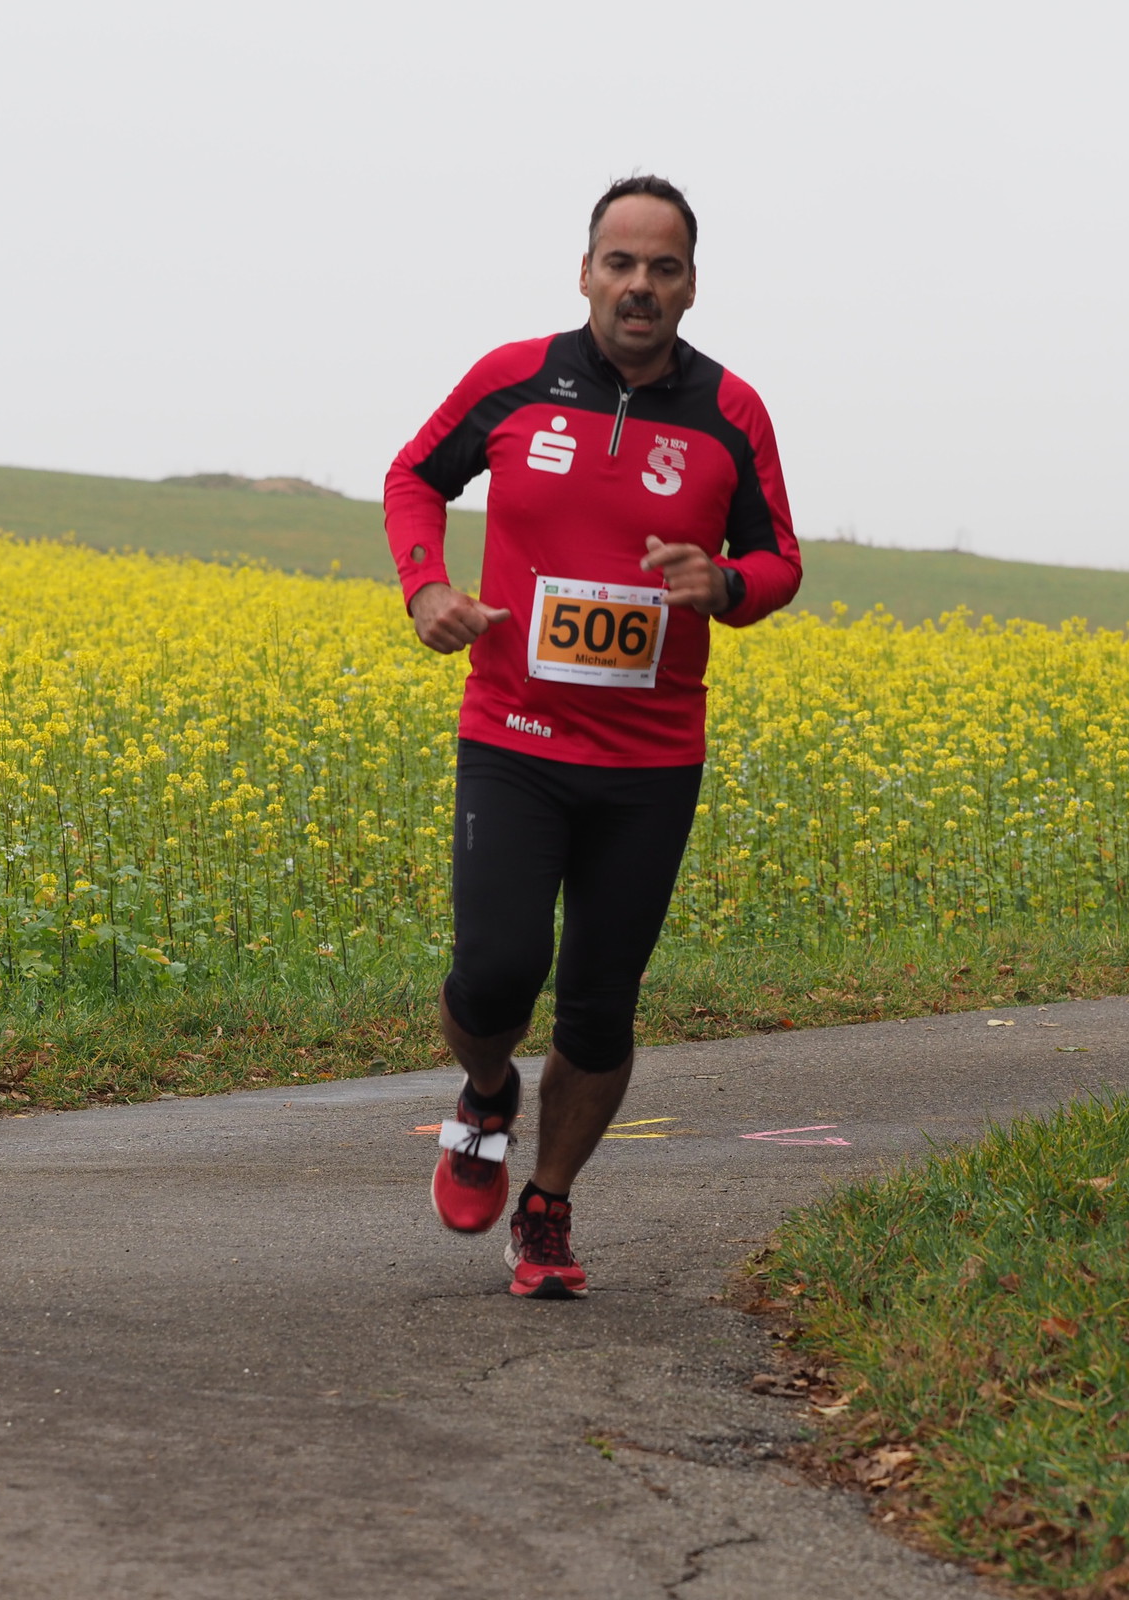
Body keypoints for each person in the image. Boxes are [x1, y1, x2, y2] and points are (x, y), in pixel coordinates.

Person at [383, 175, 802, 1298]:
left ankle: (549, 1203)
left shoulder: (731, 413)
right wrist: (426, 588)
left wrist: (724, 583)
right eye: (621, 263)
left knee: (601, 1002)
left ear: (692, 286)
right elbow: (414, 476)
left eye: (664, 267)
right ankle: (485, 1098)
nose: (640, 285)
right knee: (494, 973)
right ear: (585, 273)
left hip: (650, 761)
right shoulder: (514, 379)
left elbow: (779, 563)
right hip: (515, 734)